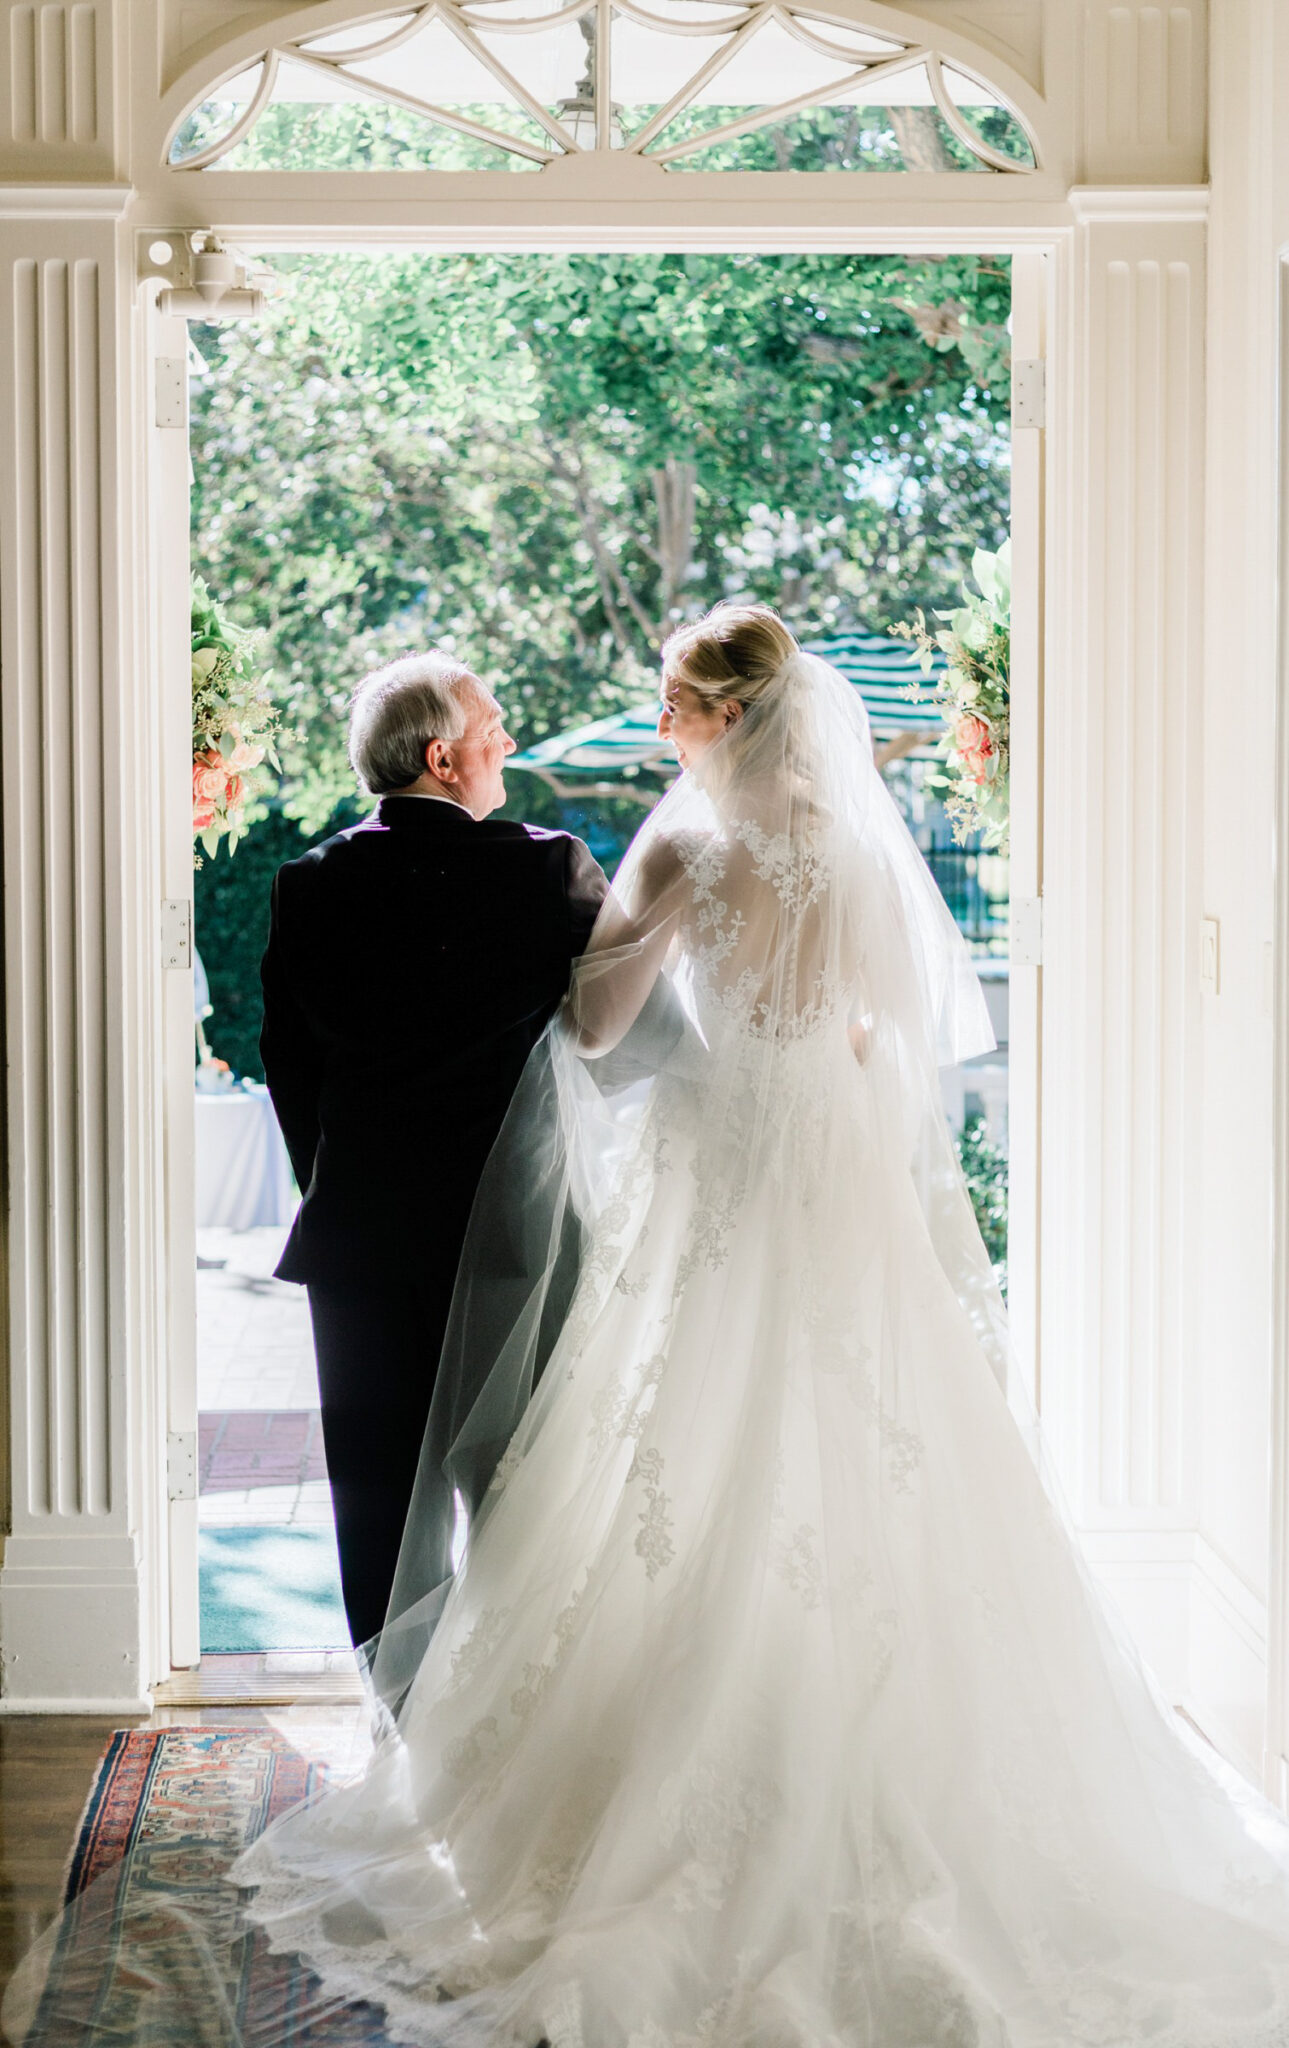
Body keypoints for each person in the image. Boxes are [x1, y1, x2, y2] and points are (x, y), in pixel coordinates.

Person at [220, 603, 1289, 2047]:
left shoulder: (675, 845)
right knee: (858, 1451)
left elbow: (595, 1028)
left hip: (698, 1174)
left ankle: (472, 1752)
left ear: (723, 713)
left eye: (672, 699)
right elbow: (886, 1032)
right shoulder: (854, 850)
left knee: (643, 1460)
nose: (660, 722)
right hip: (834, 1179)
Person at [259, 651, 607, 1648]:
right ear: (442, 755)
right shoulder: (549, 867)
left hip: (361, 1243)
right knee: (518, 1491)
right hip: (519, 1239)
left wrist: (340, 1188)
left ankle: (399, 1725)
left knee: (377, 1502)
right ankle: (507, 1723)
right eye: (491, 723)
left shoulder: (307, 882)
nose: (507, 737)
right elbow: (612, 1033)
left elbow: (291, 1069)